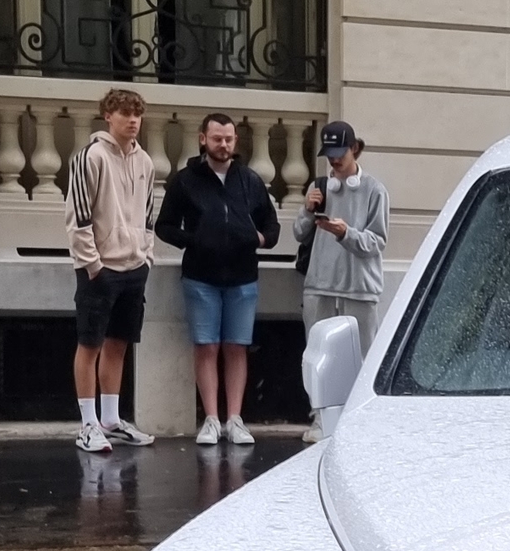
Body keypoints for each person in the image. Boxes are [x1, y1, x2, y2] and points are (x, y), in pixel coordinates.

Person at [153, 109, 280, 446]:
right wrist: (194, 241)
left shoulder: (250, 180)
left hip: (242, 277)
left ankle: (235, 419)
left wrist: (259, 240)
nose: (223, 145)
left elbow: (272, 226)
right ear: (202, 139)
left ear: (235, 140)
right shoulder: (184, 180)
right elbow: (163, 226)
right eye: (217, 139)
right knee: (206, 346)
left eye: (228, 139)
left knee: (237, 347)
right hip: (200, 277)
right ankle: (211, 418)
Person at [65, 86, 157, 452]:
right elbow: (78, 217)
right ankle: (87, 425)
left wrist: (145, 257)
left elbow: (149, 216)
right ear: (108, 116)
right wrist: (92, 265)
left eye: (137, 114)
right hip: (100, 269)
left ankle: (111, 420)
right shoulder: (90, 157)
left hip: (134, 267)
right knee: (89, 344)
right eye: (124, 113)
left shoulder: (146, 162)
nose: (132, 120)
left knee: (118, 344)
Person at [299, 120, 389, 381]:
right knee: (317, 359)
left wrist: (345, 234)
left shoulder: (374, 190)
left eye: (340, 153)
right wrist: (307, 209)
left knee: (361, 361)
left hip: (360, 289)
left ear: (355, 149)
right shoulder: (319, 186)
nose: (334, 161)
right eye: (330, 155)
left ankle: (354, 418)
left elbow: (377, 242)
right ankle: (319, 418)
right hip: (320, 286)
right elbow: (298, 233)